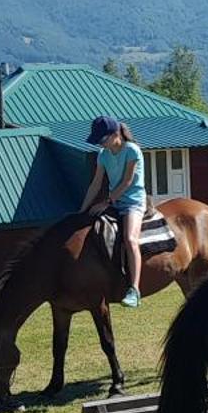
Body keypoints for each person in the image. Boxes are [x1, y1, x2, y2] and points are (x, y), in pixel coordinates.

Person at [81, 115, 146, 307]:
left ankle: (134, 290)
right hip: (114, 202)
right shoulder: (103, 155)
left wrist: (107, 202)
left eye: (103, 140)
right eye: (99, 141)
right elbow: (95, 184)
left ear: (115, 134)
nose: (101, 144)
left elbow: (127, 181)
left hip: (133, 202)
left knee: (130, 239)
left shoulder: (131, 150)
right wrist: (82, 211)